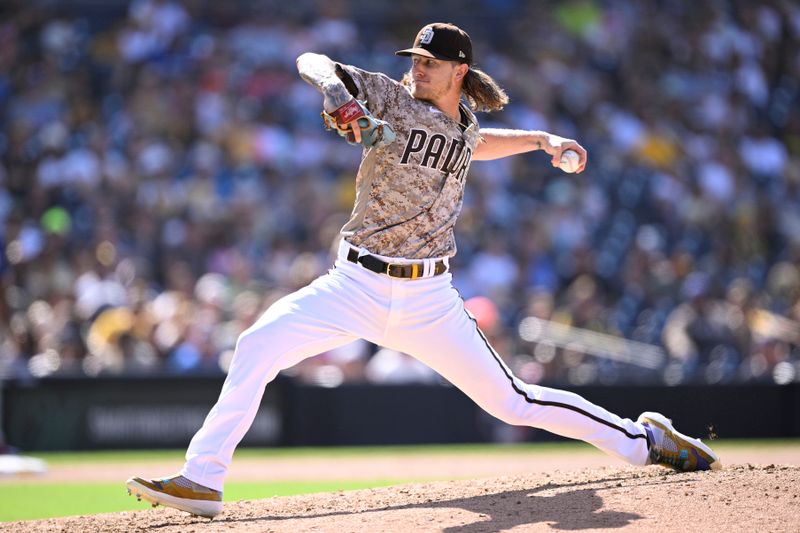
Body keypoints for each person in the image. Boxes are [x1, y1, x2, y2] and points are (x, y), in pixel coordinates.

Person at [126, 22, 720, 519]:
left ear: (459, 71)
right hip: (354, 284)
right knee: (256, 344)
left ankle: (646, 439)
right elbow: (311, 59)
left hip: (430, 298)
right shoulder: (388, 97)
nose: (419, 68)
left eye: (431, 62)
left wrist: (540, 139)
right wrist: (336, 92)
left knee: (513, 402)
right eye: (416, 58)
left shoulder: (461, 125)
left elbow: (473, 143)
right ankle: (202, 478)